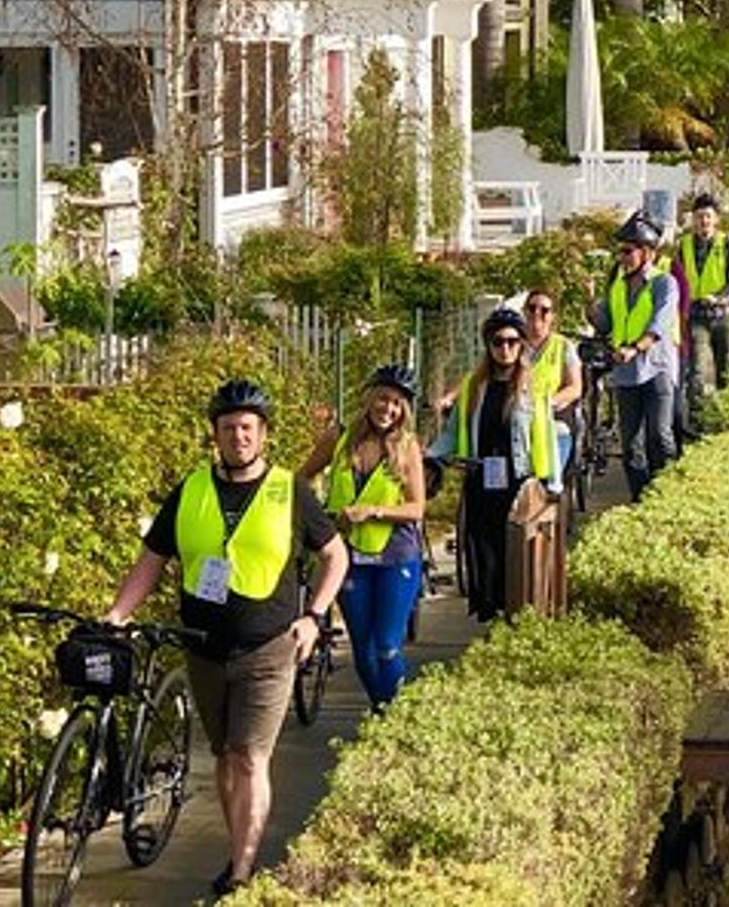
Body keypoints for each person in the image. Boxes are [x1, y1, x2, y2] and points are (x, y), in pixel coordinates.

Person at [102, 379, 344, 899]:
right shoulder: (191, 489)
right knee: (226, 756)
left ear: (264, 434)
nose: (239, 436)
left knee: (251, 757)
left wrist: (313, 617)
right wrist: (118, 613)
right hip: (204, 648)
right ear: (215, 434)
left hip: (269, 648)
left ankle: (241, 870)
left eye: (248, 427)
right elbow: (152, 559)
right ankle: (239, 850)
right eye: (229, 427)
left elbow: (335, 556)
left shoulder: (290, 491)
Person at [298, 364, 426, 711]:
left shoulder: (407, 447)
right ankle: (382, 711)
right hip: (349, 557)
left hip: (396, 557)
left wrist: (375, 511)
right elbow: (302, 478)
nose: (389, 409)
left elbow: (417, 508)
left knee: (386, 645)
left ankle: (398, 713)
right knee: (363, 649)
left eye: (397, 403)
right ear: (369, 398)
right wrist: (313, 515)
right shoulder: (339, 439)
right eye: (383, 399)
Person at [429, 308, 558, 621]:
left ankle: (514, 611)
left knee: (514, 551)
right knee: (484, 550)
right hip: (481, 479)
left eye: (513, 342)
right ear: (488, 345)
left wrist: (552, 484)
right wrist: (429, 456)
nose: (505, 349)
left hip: (519, 482)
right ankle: (493, 611)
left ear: (522, 345)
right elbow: (452, 433)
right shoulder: (474, 387)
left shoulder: (533, 387)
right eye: (498, 342)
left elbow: (547, 434)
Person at [591, 211, 680, 498]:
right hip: (626, 374)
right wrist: (589, 303)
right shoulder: (617, 286)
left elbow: (659, 325)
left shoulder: (664, 284)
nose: (622, 258)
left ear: (648, 253)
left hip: (656, 369)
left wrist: (635, 348)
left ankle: (668, 496)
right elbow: (605, 324)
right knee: (631, 447)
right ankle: (641, 500)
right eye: (621, 252)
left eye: (628, 251)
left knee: (659, 436)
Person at [672, 193, 729, 439]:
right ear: (692, 219)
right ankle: (697, 422)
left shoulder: (728, 243)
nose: (703, 221)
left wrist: (720, 297)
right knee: (696, 370)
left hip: (722, 315)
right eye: (699, 217)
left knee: (725, 367)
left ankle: (727, 418)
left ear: (716, 219)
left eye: (707, 216)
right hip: (695, 316)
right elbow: (676, 279)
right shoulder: (683, 245)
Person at [521, 288, 584, 480]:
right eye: (532, 308)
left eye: (544, 310)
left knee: (547, 481)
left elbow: (575, 388)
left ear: (553, 317)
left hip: (552, 421)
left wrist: (547, 402)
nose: (537, 313)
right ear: (524, 312)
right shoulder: (511, 343)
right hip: (518, 421)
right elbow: (478, 375)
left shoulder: (563, 346)